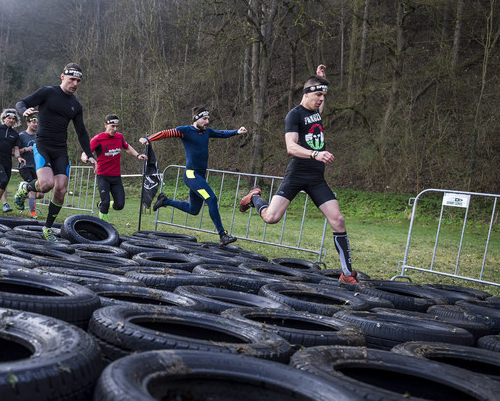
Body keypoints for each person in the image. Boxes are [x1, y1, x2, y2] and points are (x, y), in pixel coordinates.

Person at [240, 65, 357, 284]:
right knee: (271, 218)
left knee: (338, 220)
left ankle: (347, 273)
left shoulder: (316, 111)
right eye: (318, 95)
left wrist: (321, 79)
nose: (322, 99)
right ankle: (254, 197)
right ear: (306, 94)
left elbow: (317, 95)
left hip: (316, 178)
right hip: (297, 173)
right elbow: (291, 147)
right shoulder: (294, 115)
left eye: (324, 95)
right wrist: (316, 154)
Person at [140, 106, 247, 246]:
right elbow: (166, 133)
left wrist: (236, 132)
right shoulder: (185, 131)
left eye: (208, 119)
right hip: (191, 175)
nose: (207, 121)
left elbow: (221, 133)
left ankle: (165, 201)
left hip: (200, 176)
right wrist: (148, 139)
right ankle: (223, 235)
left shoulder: (207, 132)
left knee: (194, 210)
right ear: (196, 119)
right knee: (212, 199)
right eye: (204, 119)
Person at [13, 63, 96, 241]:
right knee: (46, 185)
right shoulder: (48, 92)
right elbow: (22, 103)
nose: (75, 83)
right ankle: (25, 187)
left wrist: (89, 154)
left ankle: (47, 228)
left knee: (61, 190)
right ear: (62, 77)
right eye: (72, 79)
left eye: (78, 81)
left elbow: (81, 132)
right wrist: (24, 110)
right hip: (42, 145)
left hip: (60, 150)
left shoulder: (76, 105)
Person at [81, 114, 147, 222]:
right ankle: (104, 227)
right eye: (112, 126)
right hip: (103, 176)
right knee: (106, 202)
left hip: (116, 177)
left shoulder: (119, 137)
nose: (115, 129)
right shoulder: (98, 139)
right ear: (105, 125)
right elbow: (84, 154)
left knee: (120, 205)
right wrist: (88, 159)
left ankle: (101, 205)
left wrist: (138, 155)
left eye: (117, 126)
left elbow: (126, 147)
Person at [14, 115, 44, 217]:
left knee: (40, 193)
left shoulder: (38, 136)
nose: (35, 124)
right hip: (25, 166)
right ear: (27, 123)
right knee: (32, 190)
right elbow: (14, 151)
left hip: (37, 167)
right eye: (33, 122)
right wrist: (26, 149)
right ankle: (33, 214)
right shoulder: (21, 135)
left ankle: (21, 191)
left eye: (37, 123)